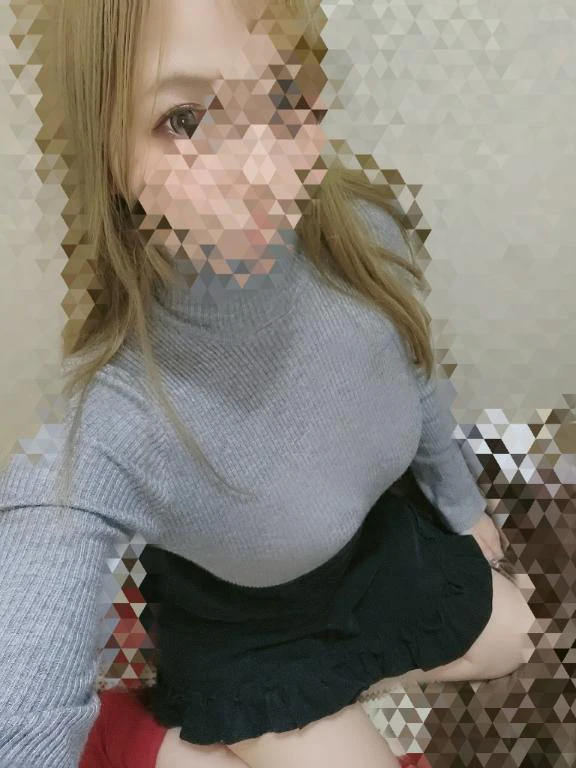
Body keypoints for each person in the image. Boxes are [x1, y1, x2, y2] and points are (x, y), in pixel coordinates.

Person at [0, 1, 534, 767]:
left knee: (517, 636)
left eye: (282, 93)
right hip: (246, 632)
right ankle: (148, 735)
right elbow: (22, 703)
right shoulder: (101, 418)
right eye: (186, 120)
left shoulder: (364, 235)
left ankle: (332, 696)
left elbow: (414, 372)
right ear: (106, 150)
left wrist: (461, 505)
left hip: (371, 555)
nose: (263, 172)